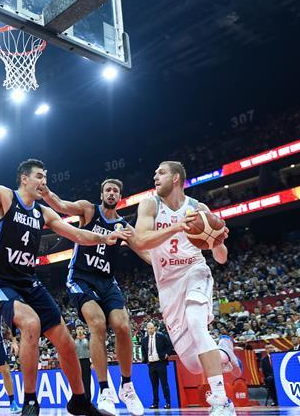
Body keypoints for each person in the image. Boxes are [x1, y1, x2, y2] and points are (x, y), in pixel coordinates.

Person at [0, 112, 130, 416]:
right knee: (31, 325)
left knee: (66, 341)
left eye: (46, 178)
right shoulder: (6, 198)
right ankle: (30, 402)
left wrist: (106, 237)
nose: (43, 182)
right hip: (0, 283)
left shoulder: (43, 213)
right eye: (39, 177)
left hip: (29, 282)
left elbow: (75, 233)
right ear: (24, 178)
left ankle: (80, 401)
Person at [129, 161, 240, 416]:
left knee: (197, 323)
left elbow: (221, 258)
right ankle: (224, 349)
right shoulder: (150, 205)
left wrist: (218, 238)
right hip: (168, 285)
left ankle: (221, 402)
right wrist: (178, 226)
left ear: (176, 178)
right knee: (192, 364)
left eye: (161, 172)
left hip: (194, 272)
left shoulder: (198, 209)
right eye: (155, 172)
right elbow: (142, 239)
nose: (155, 176)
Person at [41, 179, 144, 415]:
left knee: (122, 325)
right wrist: (46, 193)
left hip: (107, 281)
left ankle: (126, 386)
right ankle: (104, 389)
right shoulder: (88, 210)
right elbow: (60, 204)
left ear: (120, 196)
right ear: (102, 193)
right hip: (81, 277)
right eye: (108, 189)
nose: (111, 193)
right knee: (97, 324)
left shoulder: (124, 226)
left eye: (115, 191)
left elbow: (144, 250)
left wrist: (166, 261)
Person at [141, 322, 172, 409]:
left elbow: (169, 346)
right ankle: (155, 403)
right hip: (151, 364)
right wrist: (145, 359)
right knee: (154, 385)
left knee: (164, 384)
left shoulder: (161, 336)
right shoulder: (144, 340)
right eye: (148, 328)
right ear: (146, 329)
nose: (150, 330)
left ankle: (168, 402)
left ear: (154, 328)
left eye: (151, 328)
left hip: (160, 363)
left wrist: (167, 354)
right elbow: (143, 350)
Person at [74, 326, 91, 400]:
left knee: (87, 380)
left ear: (83, 330)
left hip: (86, 361)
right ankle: (80, 400)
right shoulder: (73, 340)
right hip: (77, 362)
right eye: (78, 329)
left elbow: (91, 349)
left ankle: (88, 399)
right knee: (78, 381)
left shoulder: (87, 339)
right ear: (76, 331)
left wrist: (92, 361)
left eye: (81, 329)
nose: (79, 330)